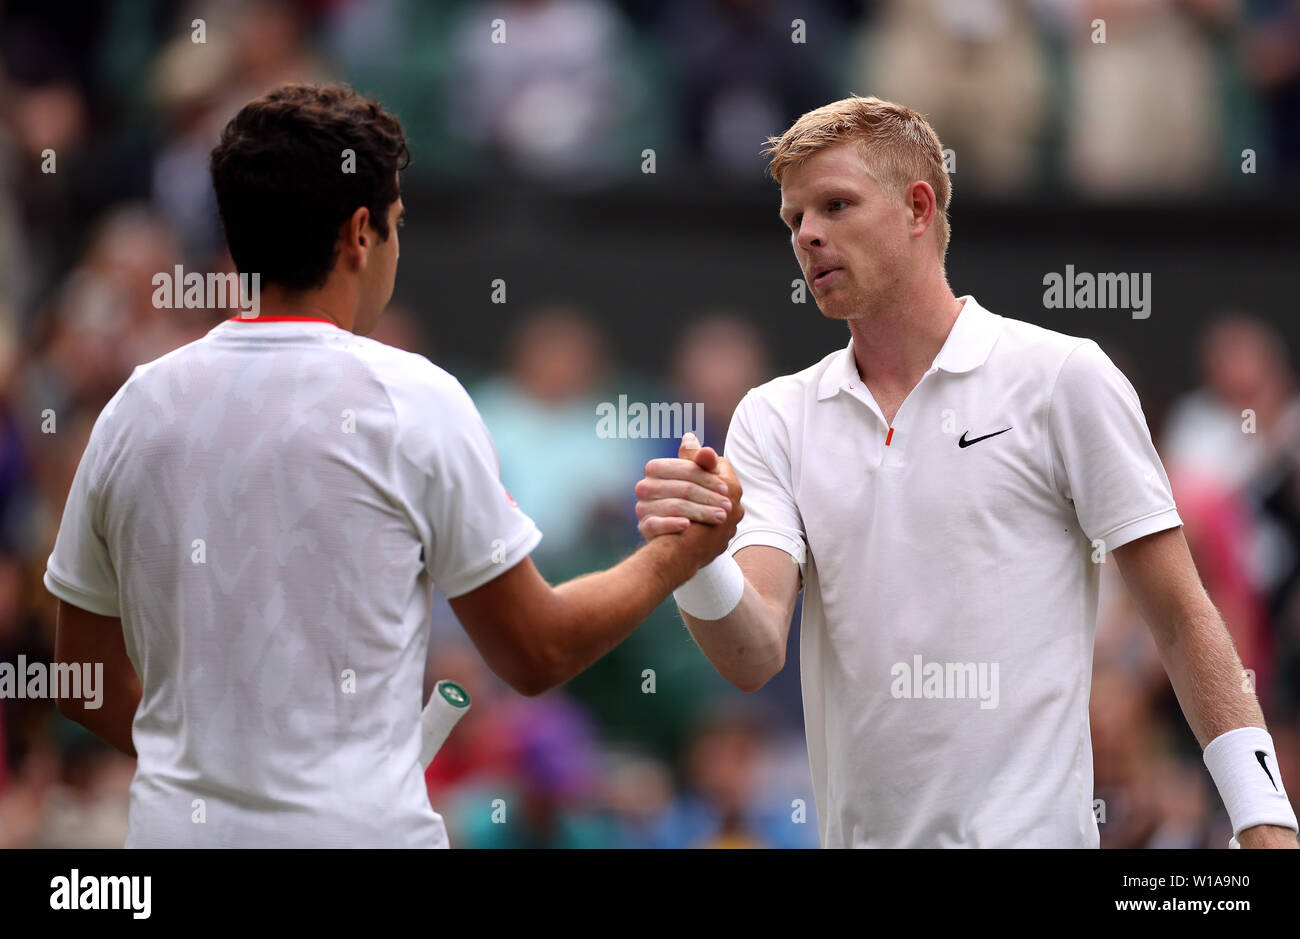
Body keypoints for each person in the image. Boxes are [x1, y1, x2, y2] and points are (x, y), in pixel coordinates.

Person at [42, 83, 742, 848]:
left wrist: (211, 786)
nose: (398, 248)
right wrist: (678, 553)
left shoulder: (133, 409)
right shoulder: (417, 399)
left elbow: (85, 682)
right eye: (398, 225)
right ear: (358, 236)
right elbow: (538, 651)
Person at [634, 95, 1299, 849]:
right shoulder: (773, 415)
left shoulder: (1064, 377)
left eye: (835, 205)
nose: (808, 234)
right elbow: (753, 654)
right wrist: (696, 560)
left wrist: (1264, 816)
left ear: (918, 208)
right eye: (793, 219)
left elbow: (1180, 615)